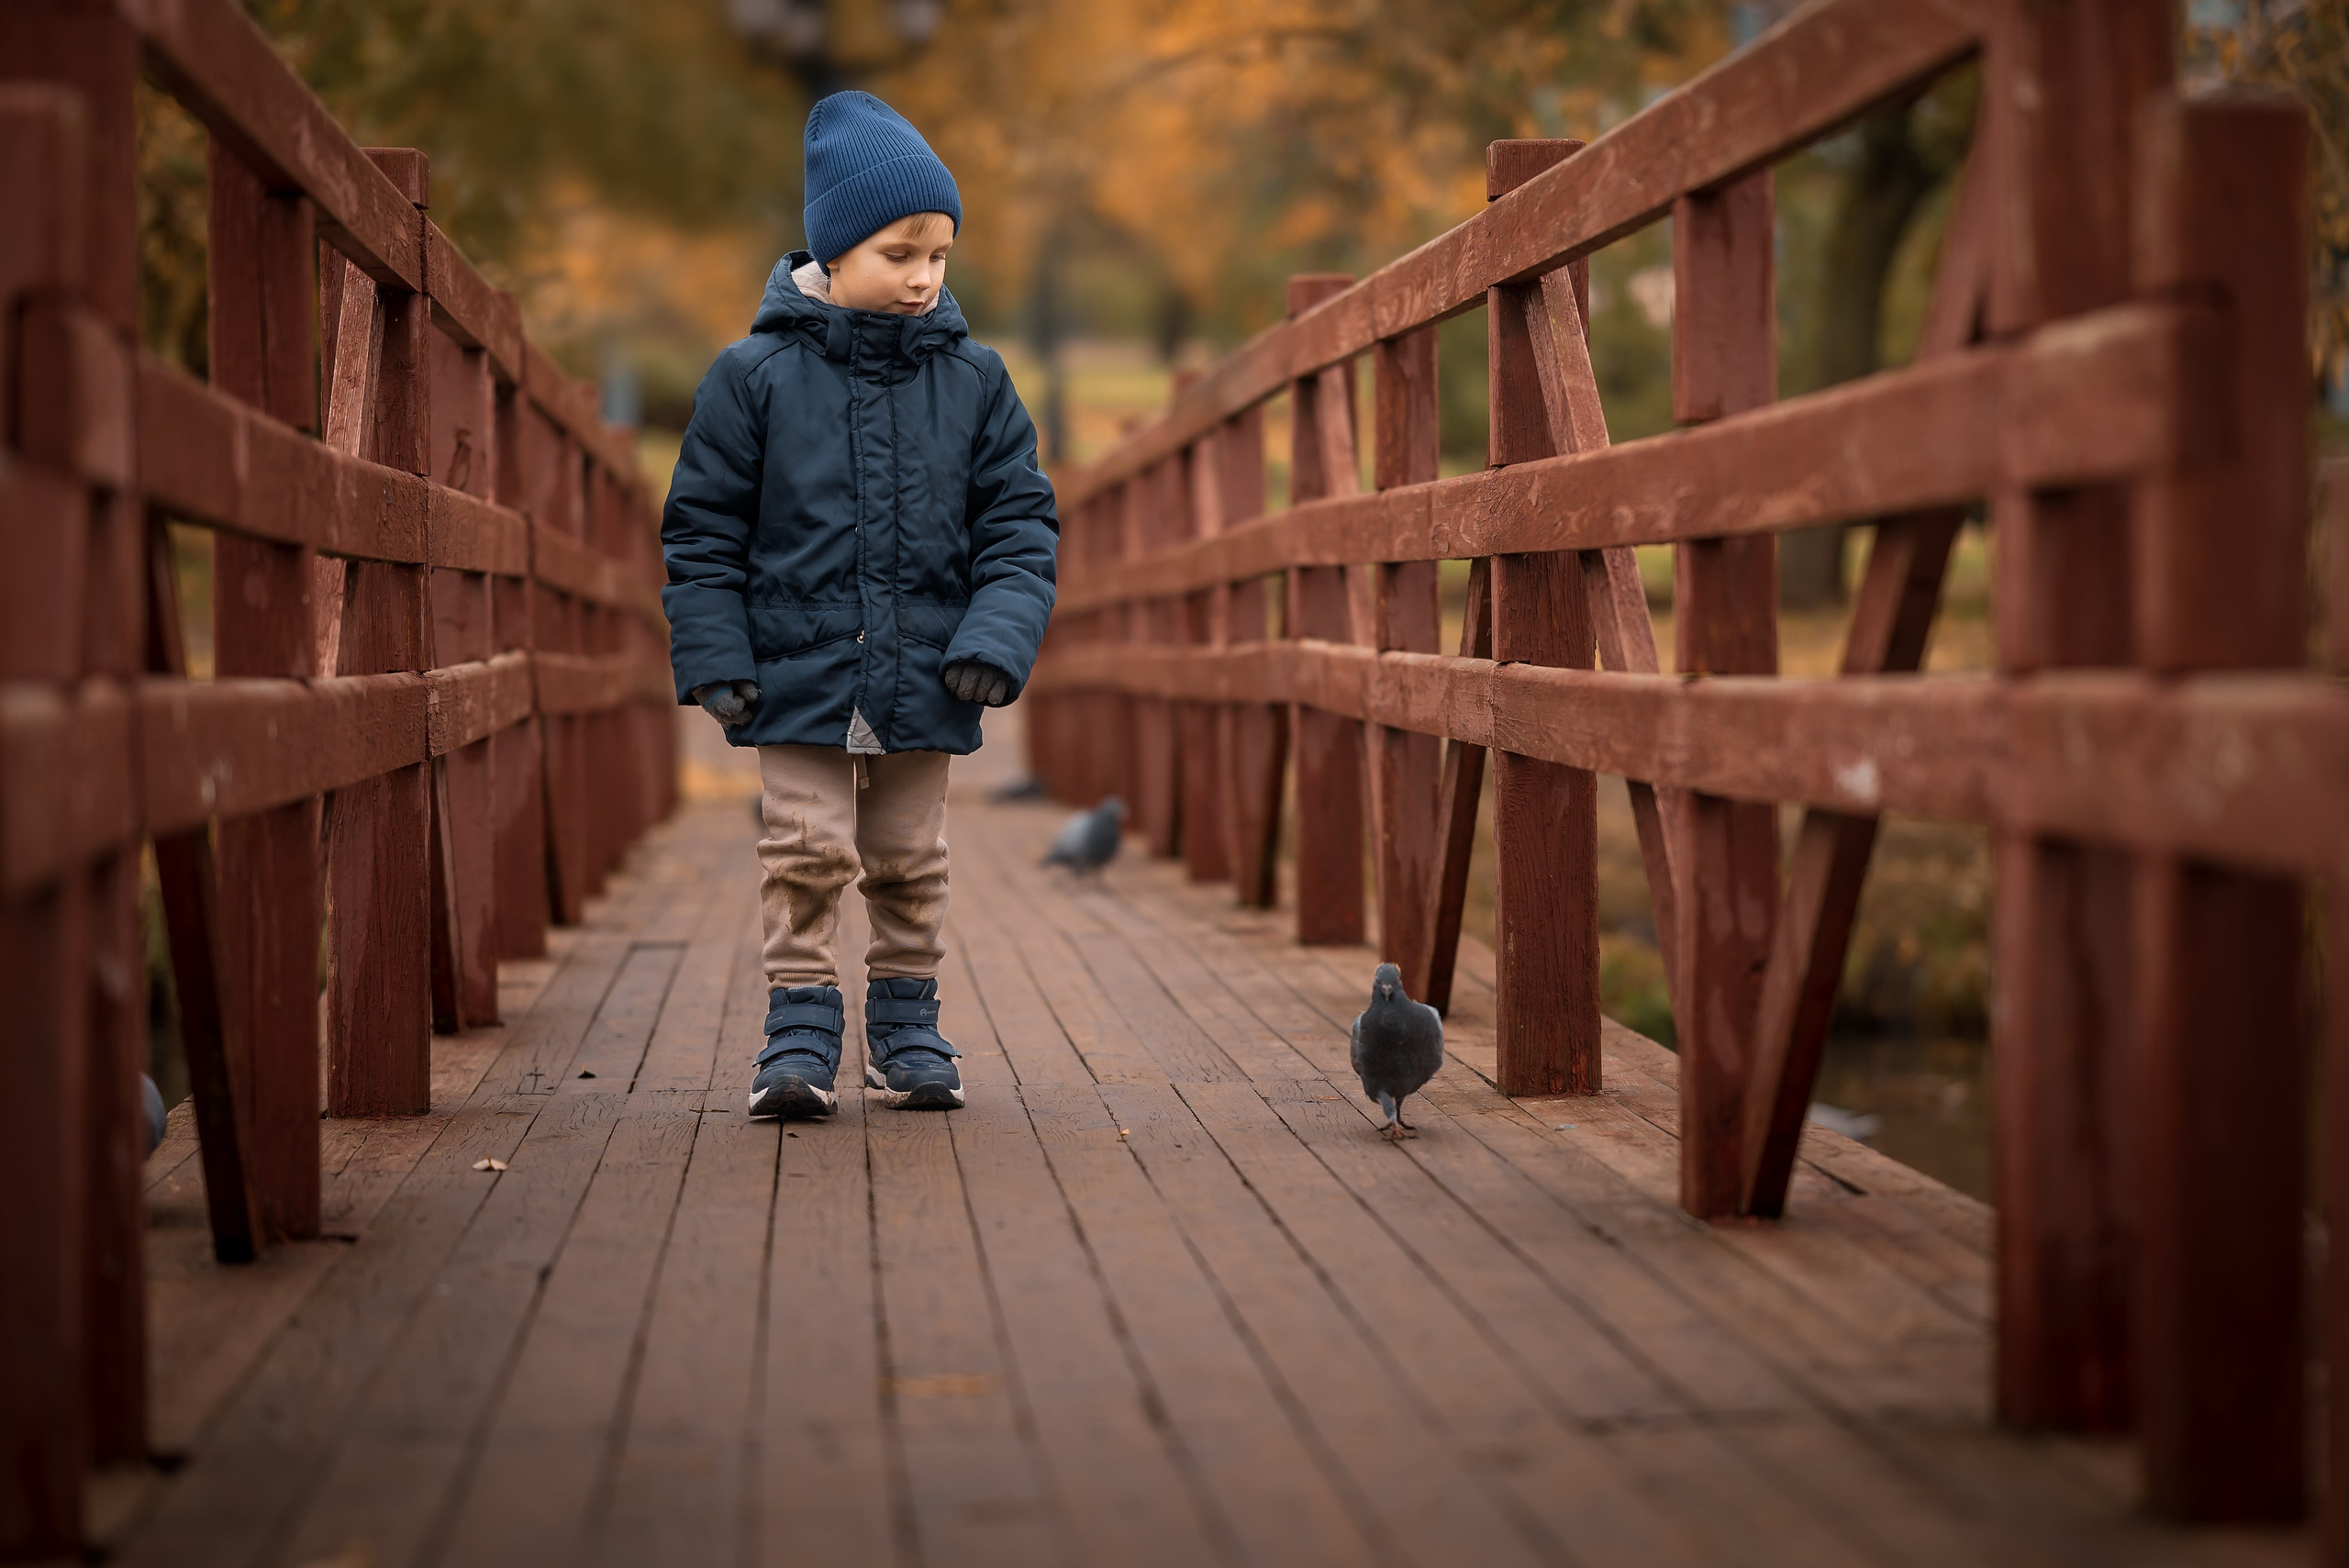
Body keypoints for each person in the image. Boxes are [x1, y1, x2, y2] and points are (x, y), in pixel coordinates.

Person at [662, 91, 1056, 1118]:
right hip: (794, 670)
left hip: (928, 667)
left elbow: (1020, 524)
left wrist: (995, 635)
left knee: (910, 857)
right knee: (804, 849)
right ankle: (798, 1028)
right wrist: (714, 655)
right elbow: (701, 531)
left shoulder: (976, 382)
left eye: (940, 254)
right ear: (833, 250)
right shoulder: (751, 379)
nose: (925, 276)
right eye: (899, 252)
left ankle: (906, 1026)